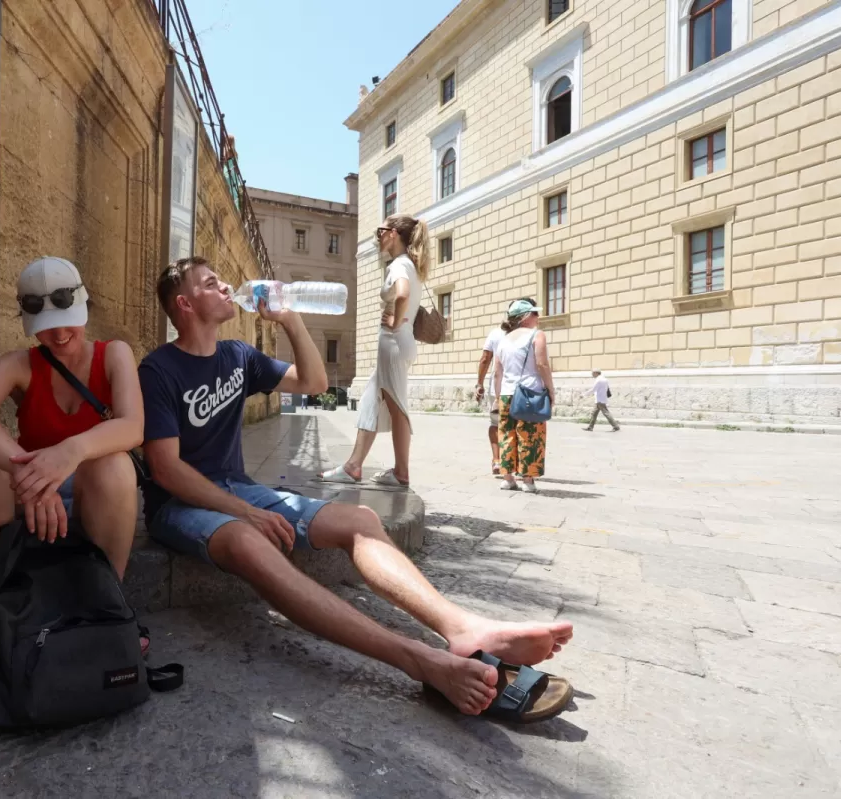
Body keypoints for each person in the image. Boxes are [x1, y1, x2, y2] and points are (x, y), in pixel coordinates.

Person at [138, 256, 573, 716]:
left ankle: (463, 626)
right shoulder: (158, 370)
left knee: (360, 518)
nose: (226, 286)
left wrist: (289, 317)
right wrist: (244, 512)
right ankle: (420, 660)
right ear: (185, 304)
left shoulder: (237, 357)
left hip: (236, 487)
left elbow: (314, 381)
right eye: (211, 284)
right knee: (248, 540)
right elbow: (165, 470)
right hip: (180, 506)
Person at [0, 257, 145, 671]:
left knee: (114, 462)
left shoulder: (114, 354)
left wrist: (69, 453)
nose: (60, 334)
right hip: (32, 498)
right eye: (46, 325)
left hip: (93, 494)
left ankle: (108, 601)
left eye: (68, 320)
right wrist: (26, 474)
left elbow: (133, 426)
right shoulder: (22, 364)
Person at [318, 214, 428, 487]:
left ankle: (401, 471)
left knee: (397, 405)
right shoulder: (408, 265)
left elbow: (402, 294)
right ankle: (354, 466)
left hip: (393, 341)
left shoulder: (399, 265)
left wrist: (393, 319)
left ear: (393, 234)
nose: (377, 236)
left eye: (381, 231)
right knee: (370, 401)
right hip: (399, 341)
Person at [493, 299, 556, 494]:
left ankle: (508, 478)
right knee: (530, 436)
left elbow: (497, 372)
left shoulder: (503, 340)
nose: (538, 317)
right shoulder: (537, 335)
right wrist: (551, 390)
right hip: (530, 392)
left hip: (506, 394)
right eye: (535, 314)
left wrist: (497, 397)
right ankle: (528, 481)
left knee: (506, 435)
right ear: (525, 317)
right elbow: (542, 365)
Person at [475, 319, 507, 477]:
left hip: (498, 386)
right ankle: (515, 463)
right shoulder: (529, 334)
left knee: (496, 423)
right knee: (517, 424)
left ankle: (497, 460)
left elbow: (485, 359)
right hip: (521, 388)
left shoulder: (496, 334)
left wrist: (479, 384)